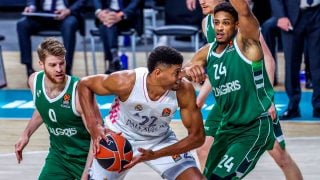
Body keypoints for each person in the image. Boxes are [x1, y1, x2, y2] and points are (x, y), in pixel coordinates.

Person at [189, 1, 303, 179]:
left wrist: (268, 98)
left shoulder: (239, 21)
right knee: (203, 150)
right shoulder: (207, 23)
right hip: (227, 100)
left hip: (252, 98)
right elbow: (218, 65)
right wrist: (201, 98)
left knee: (281, 158)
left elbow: (268, 59)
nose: (201, 1)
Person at [78, 46, 206, 179]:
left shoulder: (184, 89)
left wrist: (156, 154)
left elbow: (197, 137)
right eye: (177, 72)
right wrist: (94, 127)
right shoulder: (126, 81)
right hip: (119, 137)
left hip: (159, 140)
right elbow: (84, 84)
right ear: (157, 73)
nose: (182, 75)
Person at [14, 38, 92, 179]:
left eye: (62, 63)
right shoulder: (34, 81)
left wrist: (86, 173)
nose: (59, 69)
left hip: (88, 159)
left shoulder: (79, 92)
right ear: (41, 64)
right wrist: (26, 134)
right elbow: (43, 108)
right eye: (53, 65)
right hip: (59, 158)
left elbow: (96, 136)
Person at [271, 0, 320, 119]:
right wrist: (280, 16)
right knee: (291, 64)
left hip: (317, 13)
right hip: (291, 16)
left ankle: (318, 106)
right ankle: (293, 106)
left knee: (318, 63)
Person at [93, 0, 143, 74]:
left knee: (106, 23)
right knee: (108, 22)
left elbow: (135, 2)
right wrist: (99, 12)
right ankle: (114, 57)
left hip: (127, 16)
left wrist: (122, 14)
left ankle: (112, 62)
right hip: (106, 14)